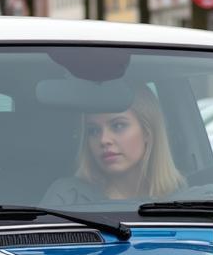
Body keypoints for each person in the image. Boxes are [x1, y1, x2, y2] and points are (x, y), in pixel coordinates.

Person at [42, 85, 183, 206]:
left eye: (118, 125)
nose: (104, 140)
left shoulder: (184, 200)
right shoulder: (68, 198)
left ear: (148, 132)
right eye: (94, 130)